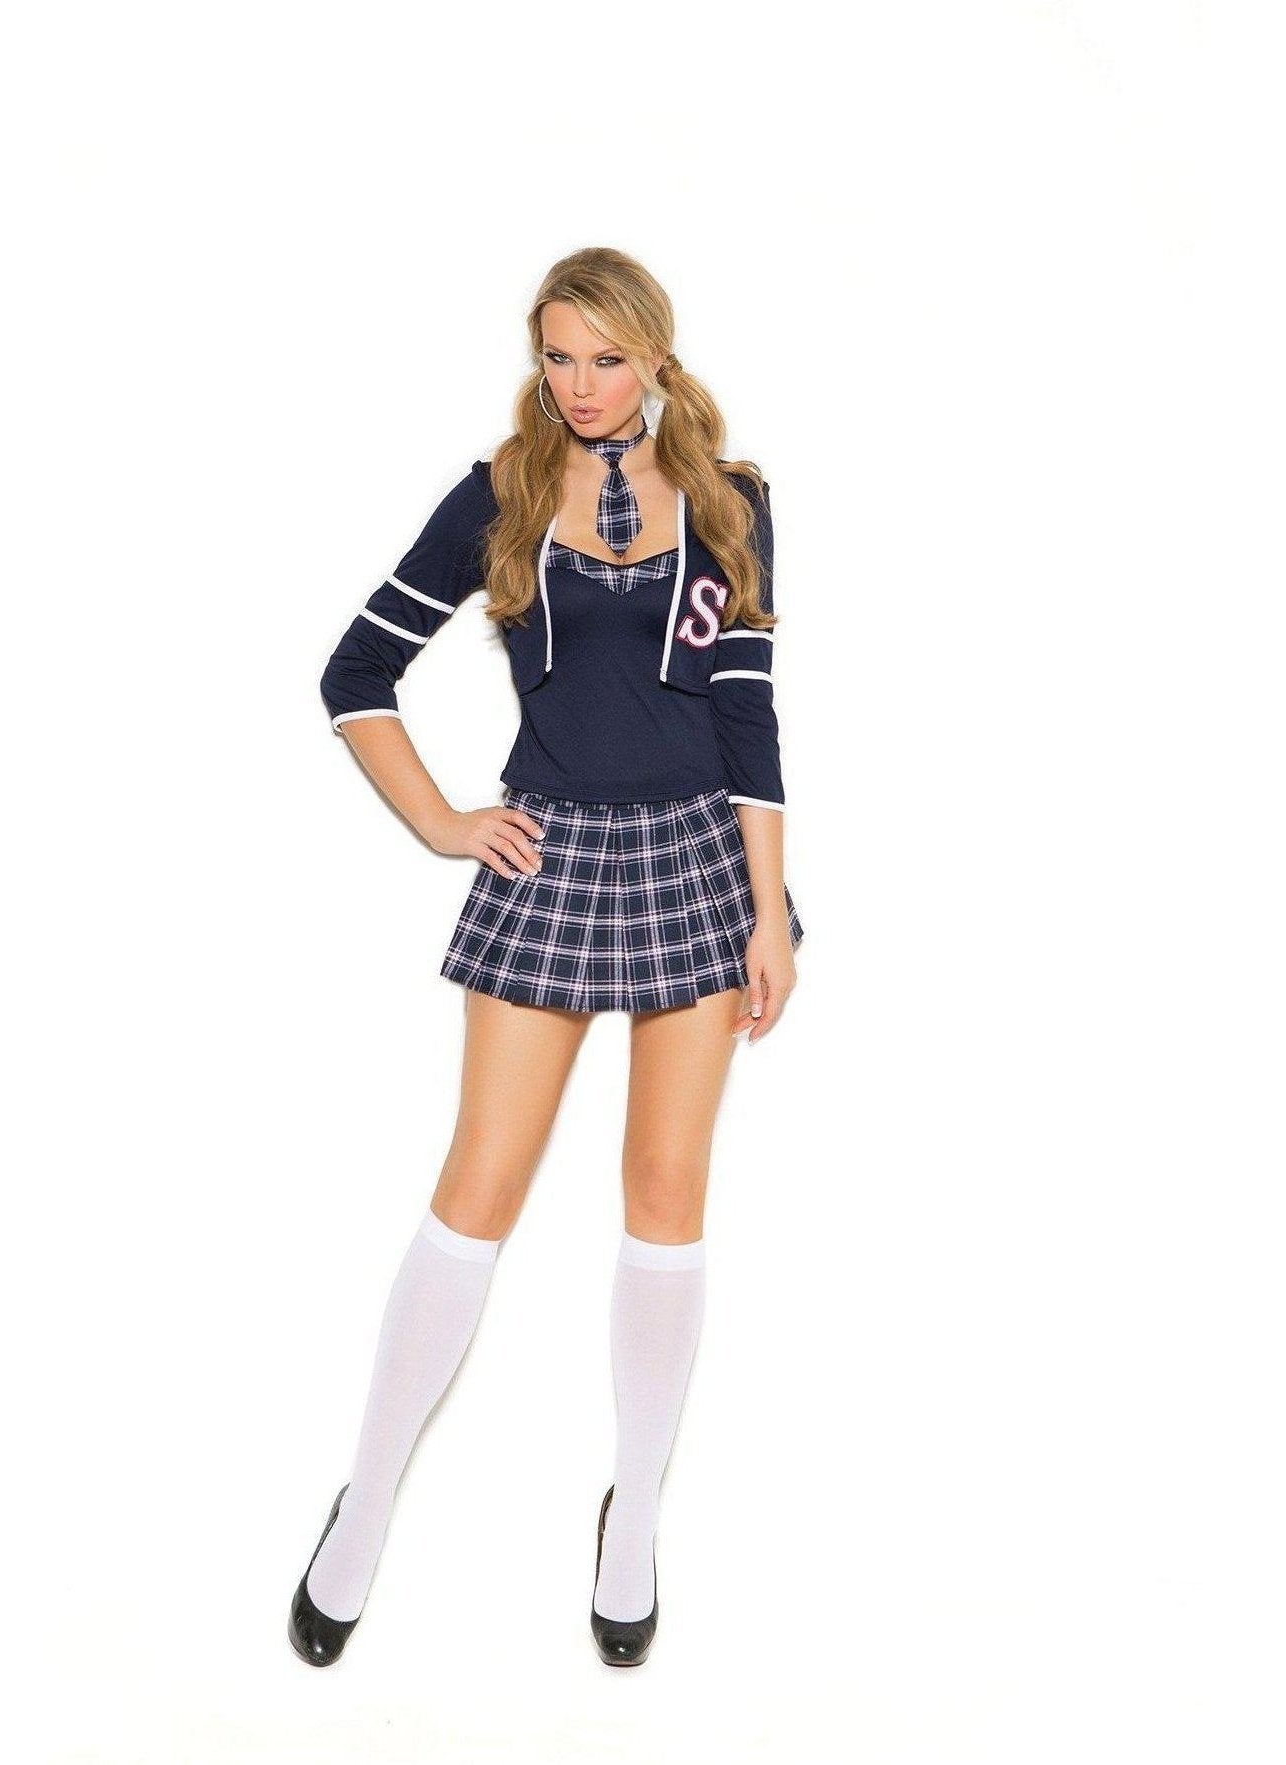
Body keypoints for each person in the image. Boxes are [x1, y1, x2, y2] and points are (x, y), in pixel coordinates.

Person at [288, 246, 806, 1670]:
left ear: (657, 359)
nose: (581, 385)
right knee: (480, 1184)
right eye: (559, 357)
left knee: (666, 1190)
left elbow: (749, 713)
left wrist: (770, 909)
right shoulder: (503, 491)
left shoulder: (732, 498)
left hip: (699, 857)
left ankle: (635, 1512)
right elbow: (355, 672)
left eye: (607, 359)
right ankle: (367, 1498)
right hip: (550, 850)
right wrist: (447, 822)